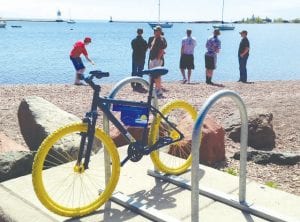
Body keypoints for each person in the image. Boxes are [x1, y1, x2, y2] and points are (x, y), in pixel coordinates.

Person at [147, 26, 167, 98]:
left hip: (156, 60)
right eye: (154, 30)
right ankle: (155, 90)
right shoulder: (154, 38)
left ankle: (159, 90)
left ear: (159, 31)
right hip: (153, 59)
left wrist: (158, 59)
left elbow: (162, 50)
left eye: (156, 31)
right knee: (152, 75)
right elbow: (150, 48)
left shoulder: (160, 39)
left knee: (157, 76)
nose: (155, 32)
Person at [131, 28, 148, 92]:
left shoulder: (133, 40)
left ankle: (133, 83)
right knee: (140, 71)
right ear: (142, 33)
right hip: (142, 57)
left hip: (135, 57)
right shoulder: (144, 41)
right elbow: (146, 49)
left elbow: (133, 48)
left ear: (137, 32)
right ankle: (138, 83)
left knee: (134, 70)